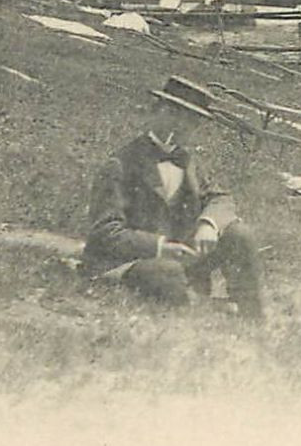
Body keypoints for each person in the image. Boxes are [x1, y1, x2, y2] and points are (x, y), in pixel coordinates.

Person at [84, 76, 264, 319]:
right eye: (177, 116)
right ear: (159, 111)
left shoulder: (187, 161)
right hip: (132, 263)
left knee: (240, 234)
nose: (185, 128)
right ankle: (202, 308)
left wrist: (208, 225)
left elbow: (221, 198)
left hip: (181, 260)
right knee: (166, 272)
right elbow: (104, 233)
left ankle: (252, 318)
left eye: (193, 122)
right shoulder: (121, 164)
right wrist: (160, 247)